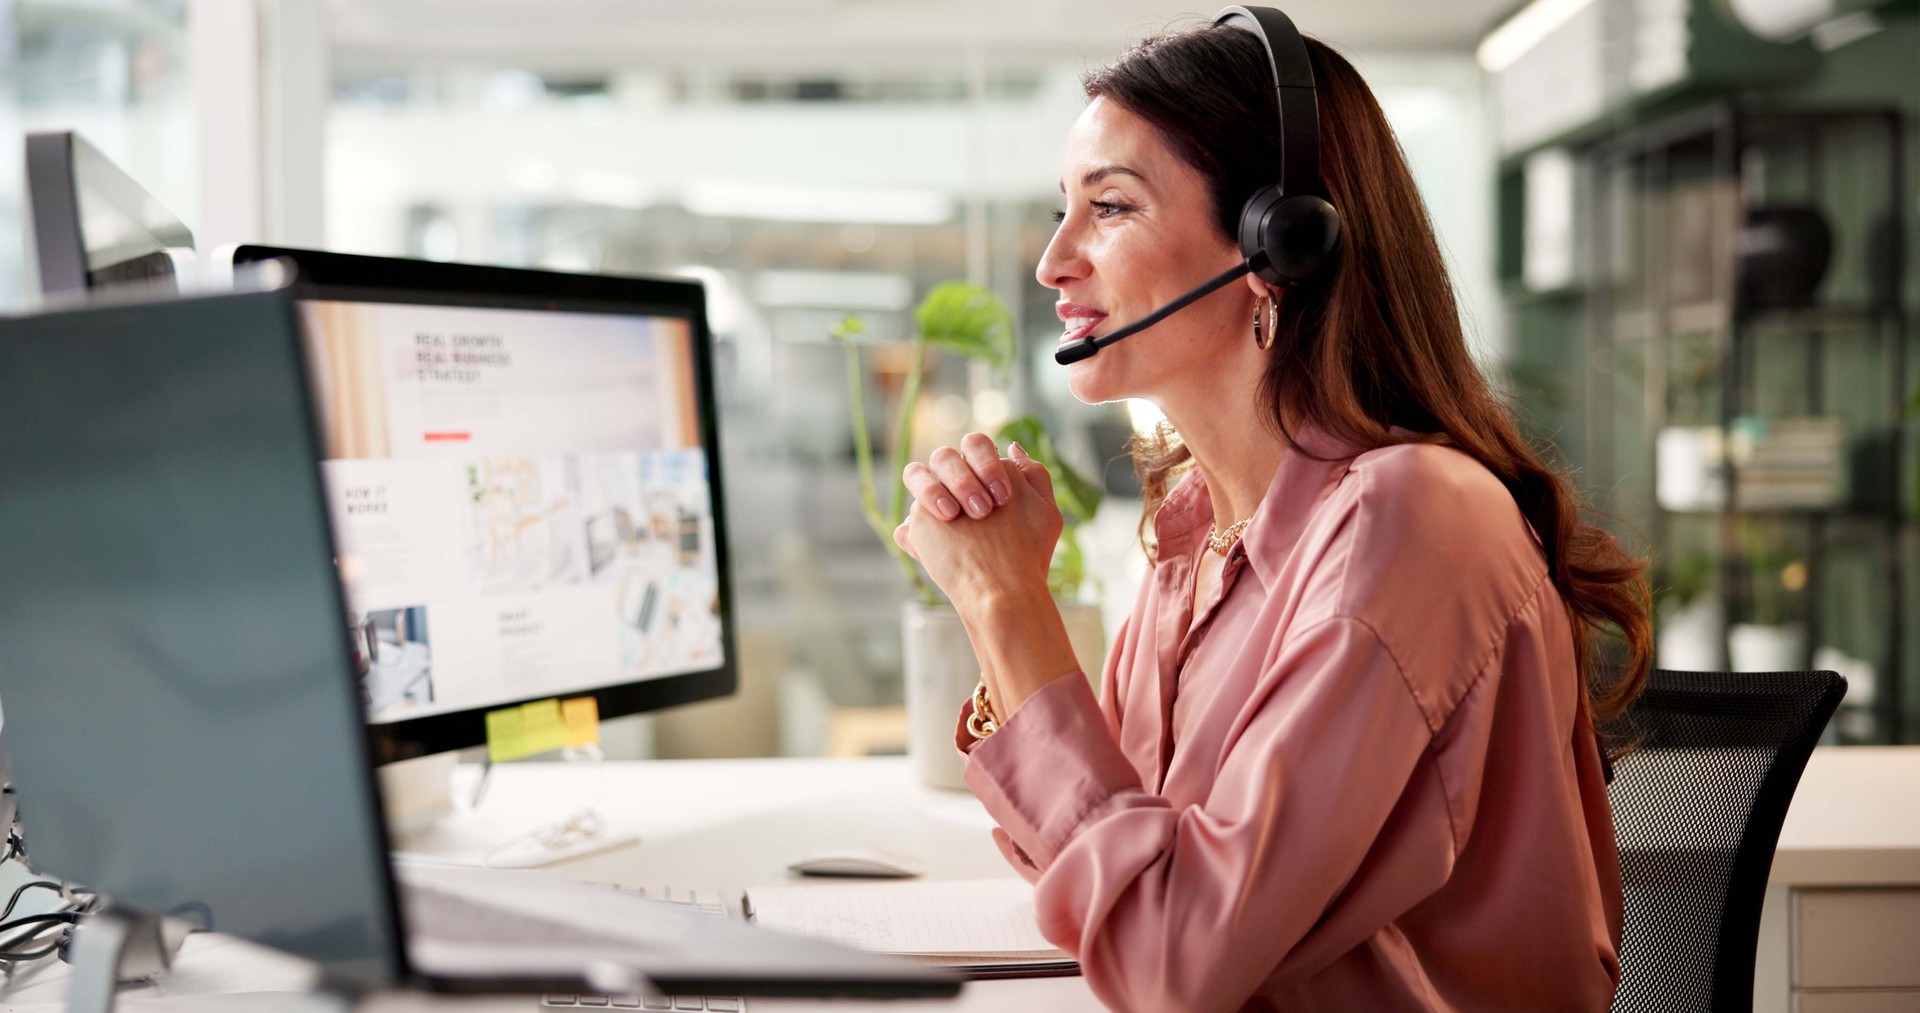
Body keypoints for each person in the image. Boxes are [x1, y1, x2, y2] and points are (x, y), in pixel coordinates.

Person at [891, 14, 1652, 1013]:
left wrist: (1005, 605)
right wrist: (1008, 604)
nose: (1055, 262)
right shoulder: (1194, 530)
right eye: (1059, 211)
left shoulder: (1408, 522)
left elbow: (1170, 958)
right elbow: (1105, 877)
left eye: (1110, 207)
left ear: (1277, 244)